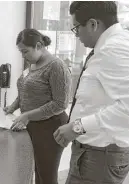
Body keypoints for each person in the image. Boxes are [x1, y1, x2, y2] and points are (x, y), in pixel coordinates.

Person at [53, 1, 129, 184]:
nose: (76, 35)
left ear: (93, 24)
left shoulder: (114, 48)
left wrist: (78, 126)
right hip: (93, 152)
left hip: (99, 156)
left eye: (76, 29)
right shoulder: (108, 46)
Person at [4, 28, 72, 184]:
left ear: (39, 45)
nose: (23, 56)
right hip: (33, 125)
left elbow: (60, 103)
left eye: (25, 52)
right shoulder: (33, 65)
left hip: (51, 126)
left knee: (46, 174)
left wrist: (27, 115)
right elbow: (24, 91)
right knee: (37, 170)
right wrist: (13, 107)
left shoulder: (56, 66)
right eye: (20, 52)